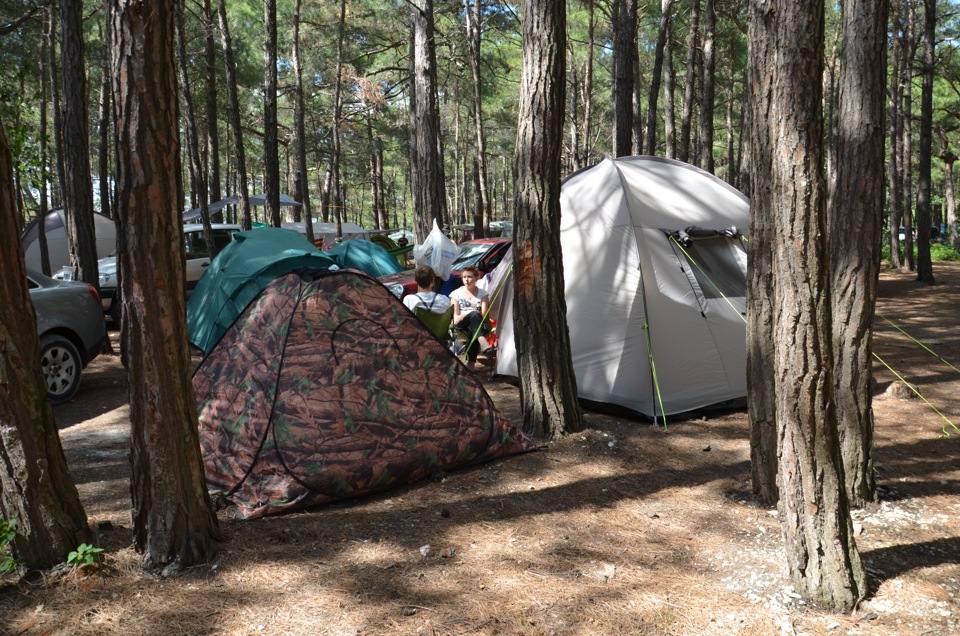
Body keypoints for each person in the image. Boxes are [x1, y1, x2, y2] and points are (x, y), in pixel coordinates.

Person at [449, 265, 489, 371]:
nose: (466, 280)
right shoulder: (456, 293)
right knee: (474, 315)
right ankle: (483, 343)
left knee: (474, 326)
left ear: (477, 278)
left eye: (469, 277)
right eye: (464, 277)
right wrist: (468, 314)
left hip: (476, 323)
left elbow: (484, 315)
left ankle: (470, 366)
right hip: (461, 323)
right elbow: (455, 316)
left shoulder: (483, 294)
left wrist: (471, 314)